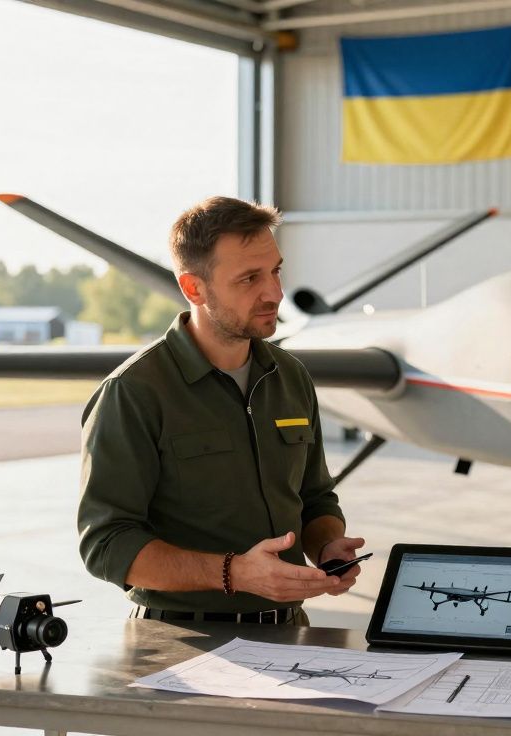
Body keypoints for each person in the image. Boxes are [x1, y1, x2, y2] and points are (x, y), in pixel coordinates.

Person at [78, 196, 364, 624]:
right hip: (177, 639)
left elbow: (314, 497)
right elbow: (106, 544)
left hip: (288, 628)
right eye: (249, 278)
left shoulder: (291, 377)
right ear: (194, 288)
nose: (275, 293)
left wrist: (326, 545)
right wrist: (234, 574)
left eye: (275, 271)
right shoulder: (134, 391)